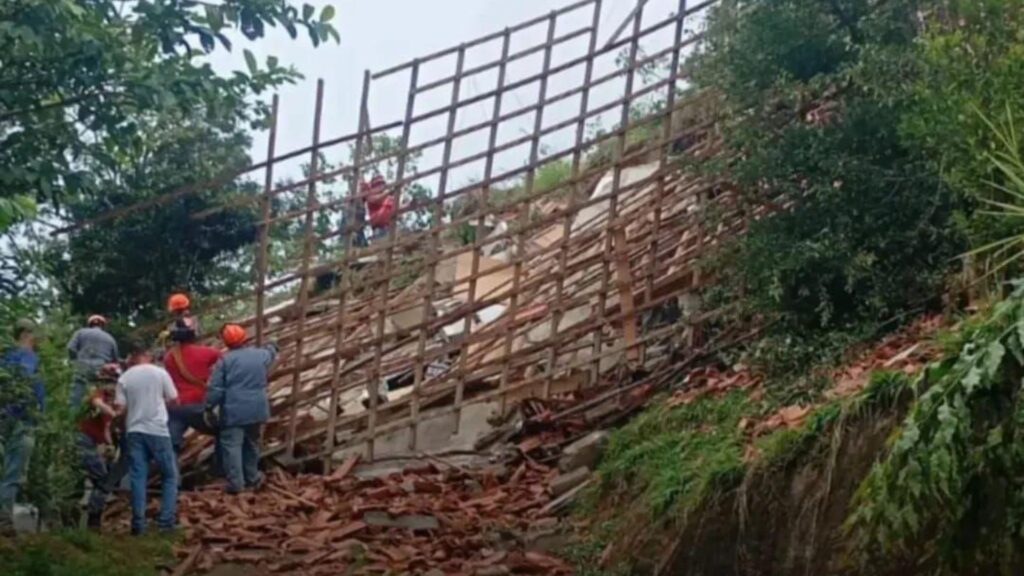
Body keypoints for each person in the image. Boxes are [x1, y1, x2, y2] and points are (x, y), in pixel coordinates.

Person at [114, 342, 178, 535]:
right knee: (169, 476)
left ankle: (138, 524)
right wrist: (161, 403)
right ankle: (165, 522)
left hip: (134, 431)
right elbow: (174, 398)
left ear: (133, 357)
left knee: (138, 477)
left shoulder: (124, 378)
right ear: (148, 355)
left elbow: (120, 409)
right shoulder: (159, 373)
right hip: (157, 430)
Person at [206, 324, 276, 494]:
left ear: (226, 342)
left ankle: (236, 484)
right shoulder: (260, 355)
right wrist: (272, 345)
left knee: (232, 446)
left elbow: (216, 388)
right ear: (245, 338)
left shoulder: (225, 360)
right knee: (252, 444)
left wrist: (209, 406)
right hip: (257, 408)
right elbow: (271, 353)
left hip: (234, 410)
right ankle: (252, 477)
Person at [0, 319, 43, 533]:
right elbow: (33, 390)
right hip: (22, 421)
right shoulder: (28, 358)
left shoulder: (4, 357)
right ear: (27, 335)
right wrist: (38, 415)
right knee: (13, 472)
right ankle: (4, 520)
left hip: (4, 417)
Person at [163, 316, 221, 455]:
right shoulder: (207, 352)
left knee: (171, 444)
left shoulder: (169, 357)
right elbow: (224, 363)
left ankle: (171, 474)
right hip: (198, 404)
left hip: (176, 405)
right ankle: (221, 468)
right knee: (224, 431)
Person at [77, 380, 128, 530]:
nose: (110, 386)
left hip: (90, 442)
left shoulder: (116, 401)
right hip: (83, 440)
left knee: (94, 477)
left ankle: (84, 518)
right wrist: (110, 444)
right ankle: (93, 519)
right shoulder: (99, 395)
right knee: (102, 479)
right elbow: (97, 403)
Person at [67, 314, 119, 408]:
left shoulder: (80, 332)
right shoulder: (110, 339)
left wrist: (75, 361)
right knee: (100, 395)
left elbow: (70, 348)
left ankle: (72, 416)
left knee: (76, 394)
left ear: (89, 324)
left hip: (82, 366)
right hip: (101, 369)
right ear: (103, 325)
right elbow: (115, 361)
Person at [362, 174, 396, 243]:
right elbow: (376, 200)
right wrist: (388, 192)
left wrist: (409, 205)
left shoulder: (389, 198)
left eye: (382, 184)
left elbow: (397, 208)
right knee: (380, 248)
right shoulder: (370, 196)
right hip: (379, 228)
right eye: (377, 184)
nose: (380, 186)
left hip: (390, 227)